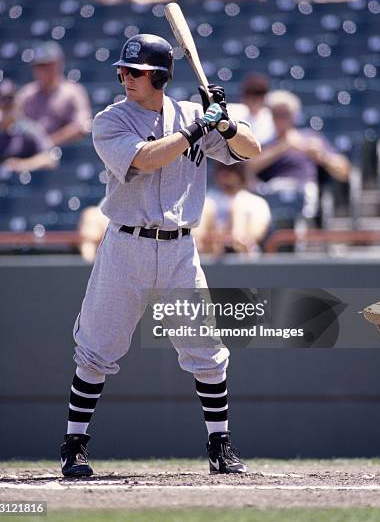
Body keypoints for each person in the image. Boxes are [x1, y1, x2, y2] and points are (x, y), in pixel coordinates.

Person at [59, 33, 261, 478]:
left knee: (207, 350)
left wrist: (225, 124)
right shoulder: (111, 120)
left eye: (136, 72)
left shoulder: (192, 113)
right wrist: (198, 128)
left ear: (161, 76)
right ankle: (74, 446)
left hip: (179, 249)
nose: (125, 78)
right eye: (123, 71)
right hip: (125, 245)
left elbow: (251, 149)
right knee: (96, 349)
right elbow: (148, 159)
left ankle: (220, 445)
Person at [248, 90, 350, 221]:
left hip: (303, 189)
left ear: (293, 116)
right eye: (276, 114)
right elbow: (248, 167)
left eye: (285, 114)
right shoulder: (265, 143)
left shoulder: (310, 137)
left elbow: (344, 171)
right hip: (273, 190)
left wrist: (322, 157)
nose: (280, 119)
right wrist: (283, 146)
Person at [16, 42, 92, 147]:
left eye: (47, 65)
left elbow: (82, 125)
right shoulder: (27, 93)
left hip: (63, 153)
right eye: (38, 66)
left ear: (58, 63)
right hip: (31, 153)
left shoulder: (73, 91)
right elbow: (14, 122)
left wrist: (48, 142)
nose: (42, 70)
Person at [193, 162, 271, 255]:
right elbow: (197, 233)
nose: (225, 172)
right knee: (207, 207)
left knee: (239, 207)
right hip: (209, 251)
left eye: (231, 168)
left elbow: (257, 234)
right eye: (222, 168)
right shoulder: (207, 199)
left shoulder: (256, 202)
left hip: (245, 254)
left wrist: (235, 236)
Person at [0, 79, 56, 172]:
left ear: (17, 101)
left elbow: (50, 159)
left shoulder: (31, 130)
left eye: (10, 99)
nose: (6, 104)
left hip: (29, 183)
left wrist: (23, 164)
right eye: (2, 99)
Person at [228, 73, 275, 146]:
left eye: (259, 93)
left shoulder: (272, 117)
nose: (253, 98)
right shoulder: (230, 110)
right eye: (249, 92)